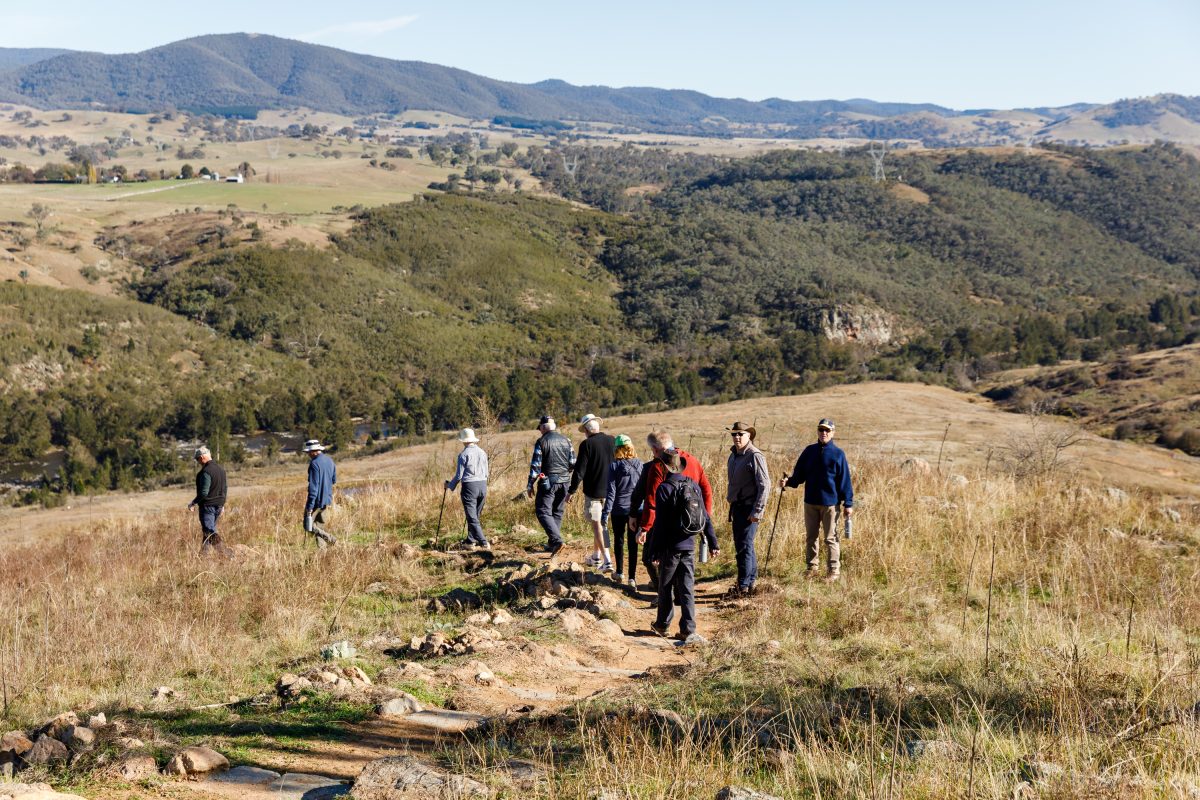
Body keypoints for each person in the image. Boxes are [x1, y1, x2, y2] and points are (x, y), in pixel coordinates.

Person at [633, 430, 715, 604]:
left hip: (665, 523)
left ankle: (665, 598)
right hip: (691, 520)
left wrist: (645, 527)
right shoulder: (691, 460)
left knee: (653, 558)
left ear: (656, 449)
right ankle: (680, 598)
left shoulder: (658, 465)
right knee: (684, 560)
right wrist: (704, 517)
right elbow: (706, 489)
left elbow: (652, 500)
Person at [647, 450, 717, 646]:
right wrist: (713, 542)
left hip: (670, 546)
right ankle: (688, 629)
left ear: (663, 467)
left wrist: (654, 549)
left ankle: (662, 624)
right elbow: (705, 516)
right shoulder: (693, 485)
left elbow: (659, 524)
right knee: (687, 587)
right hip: (689, 544)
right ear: (681, 466)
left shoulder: (664, 488)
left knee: (666, 585)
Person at [780, 418, 854, 582]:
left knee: (830, 538)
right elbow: (799, 475)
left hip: (830, 504)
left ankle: (833, 571)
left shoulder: (838, 454)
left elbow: (845, 481)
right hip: (810, 502)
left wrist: (848, 503)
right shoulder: (809, 451)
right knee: (811, 536)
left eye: (827, 430)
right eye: (821, 430)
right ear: (817, 432)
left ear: (833, 433)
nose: (824, 433)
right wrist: (789, 482)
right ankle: (812, 568)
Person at [726, 421, 770, 597]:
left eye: (740, 434)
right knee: (744, 546)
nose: (737, 437)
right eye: (734, 434)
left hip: (749, 507)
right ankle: (749, 583)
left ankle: (743, 586)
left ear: (749, 436)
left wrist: (757, 511)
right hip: (738, 506)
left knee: (744, 546)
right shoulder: (734, 455)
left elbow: (765, 485)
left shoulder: (754, 455)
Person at [569, 413, 615, 571]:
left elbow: (579, 471)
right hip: (610, 492)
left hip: (594, 492)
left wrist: (571, 491)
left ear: (587, 431)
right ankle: (596, 556)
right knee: (603, 527)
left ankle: (607, 560)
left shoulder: (586, 445)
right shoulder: (612, 440)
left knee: (597, 526)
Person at [527, 416, 573, 556]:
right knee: (557, 512)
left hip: (548, 482)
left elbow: (536, 466)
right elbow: (572, 462)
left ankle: (557, 541)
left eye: (539, 428)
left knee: (542, 511)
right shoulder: (567, 440)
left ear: (542, 427)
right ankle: (554, 544)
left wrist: (530, 484)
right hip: (565, 481)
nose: (539, 431)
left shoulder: (541, 442)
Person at [603, 434, 644, 590]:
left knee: (619, 540)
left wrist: (605, 513)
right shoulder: (640, 464)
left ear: (617, 449)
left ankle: (620, 572)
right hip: (637, 509)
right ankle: (632, 578)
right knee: (633, 543)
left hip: (619, 509)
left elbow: (611, 492)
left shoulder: (614, 466)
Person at [446, 428, 490, 550]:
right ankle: (471, 541)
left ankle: (483, 542)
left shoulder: (463, 455)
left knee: (472, 517)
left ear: (463, 440)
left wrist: (450, 486)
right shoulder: (482, 452)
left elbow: (459, 475)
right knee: (475, 515)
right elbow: (487, 472)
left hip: (470, 487)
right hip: (483, 485)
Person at [187, 445, 229, 556]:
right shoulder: (221, 470)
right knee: (207, 531)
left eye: (197, 459)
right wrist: (222, 504)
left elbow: (204, 493)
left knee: (210, 532)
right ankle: (202, 557)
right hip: (219, 506)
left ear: (201, 457)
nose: (198, 462)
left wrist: (193, 502)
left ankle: (226, 555)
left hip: (208, 507)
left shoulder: (205, 472)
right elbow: (224, 489)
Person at [302, 439, 337, 547]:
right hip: (327, 499)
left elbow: (313, 488)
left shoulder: (314, 464)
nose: (308, 454)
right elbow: (334, 480)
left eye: (308, 452)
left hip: (316, 501)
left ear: (314, 452)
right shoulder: (330, 461)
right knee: (319, 526)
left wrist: (309, 507)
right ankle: (322, 555)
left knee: (308, 525)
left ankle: (330, 538)